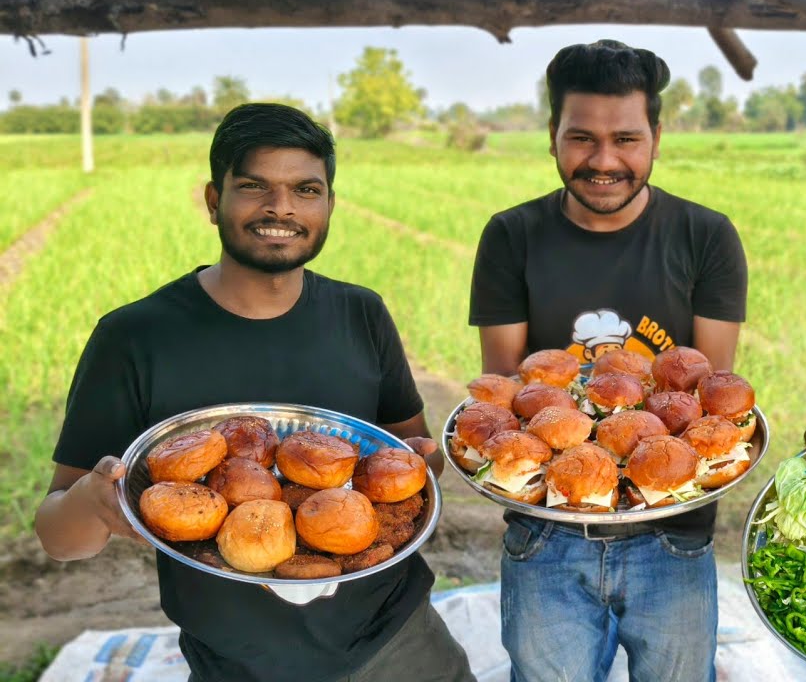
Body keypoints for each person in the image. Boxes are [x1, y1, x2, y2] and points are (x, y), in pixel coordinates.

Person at [33, 103, 475, 682]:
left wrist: (435, 458)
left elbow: (405, 467)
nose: (282, 208)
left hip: (398, 641)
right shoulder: (135, 338)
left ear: (329, 205)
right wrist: (94, 503)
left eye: (306, 189)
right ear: (214, 200)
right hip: (237, 662)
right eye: (254, 186)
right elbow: (57, 536)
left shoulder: (360, 313)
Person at [468, 40, 748, 682]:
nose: (603, 160)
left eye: (626, 138)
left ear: (656, 134)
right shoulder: (513, 235)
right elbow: (507, 399)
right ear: (552, 136)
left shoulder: (704, 236)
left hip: (672, 531)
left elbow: (709, 402)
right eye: (581, 138)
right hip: (547, 532)